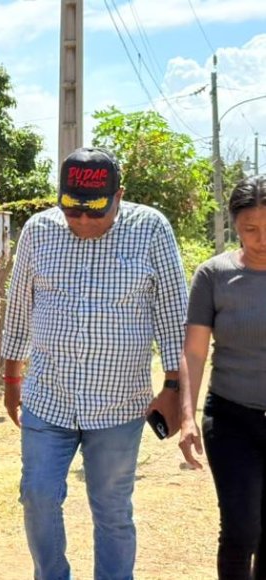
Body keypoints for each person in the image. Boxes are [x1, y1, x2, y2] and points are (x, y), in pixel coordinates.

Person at [1, 146, 189, 580]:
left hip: (119, 405)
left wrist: (174, 387)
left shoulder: (151, 229)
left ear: (118, 196)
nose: (83, 221)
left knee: (112, 509)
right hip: (48, 397)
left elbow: (172, 313)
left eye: (95, 212)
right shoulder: (39, 230)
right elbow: (20, 308)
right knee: (37, 496)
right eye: (73, 211)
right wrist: (12, 378)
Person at [179, 174, 266, 578]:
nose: (261, 239)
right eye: (251, 229)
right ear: (235, 226)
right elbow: (194, 352)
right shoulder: (213, 275)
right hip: (232, 417)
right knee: (241, 530)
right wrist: (187, 417)